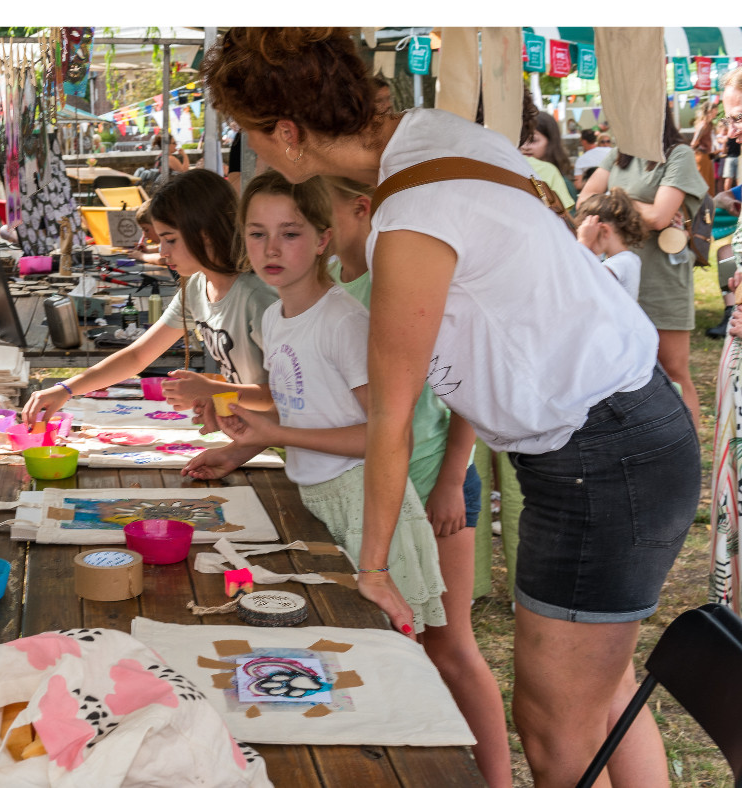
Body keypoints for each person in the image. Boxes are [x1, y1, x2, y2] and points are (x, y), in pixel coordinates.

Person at [203, 28, 697, 788]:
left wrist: (373, 565)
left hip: (600, 455)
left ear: (291, 135)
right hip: (623, 431)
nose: (257, 160)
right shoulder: (437, 136)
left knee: (554, 724)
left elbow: (390, 417)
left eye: (254, 141)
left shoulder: (413, 216)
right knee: (604, 696)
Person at [317, 174, 512, 785]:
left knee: (452, 648)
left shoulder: (399, 280)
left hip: (433, 489)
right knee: (408, 648)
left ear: (361, 208)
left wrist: (454, 477)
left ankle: (499, 780)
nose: (311, 227)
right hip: (382, 497)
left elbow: (465, 392)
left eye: (314, 210)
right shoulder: (336, 284)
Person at [20, 169, 277, 428]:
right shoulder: (197, 286)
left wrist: (212, 391)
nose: (162, 252)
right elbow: (138, 356)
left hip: (282, 447)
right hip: (249, 436)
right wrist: (66, 389)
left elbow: (285, 397)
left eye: (170, 240)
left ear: (205, 233)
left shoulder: (259, 298)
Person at [580, 102, 709, 430]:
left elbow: (659, 217)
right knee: (631, 372)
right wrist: (631, 204)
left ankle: (688, 447)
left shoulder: (677, 154)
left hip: (662, 277)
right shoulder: (620, 153)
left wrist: (613, 197)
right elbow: (584, 201)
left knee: (674, 369)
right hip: (620, 279)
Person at [576, 188, 648, 301]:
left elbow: (581, 283)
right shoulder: (625, 259)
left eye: (590, 234)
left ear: (604, 230)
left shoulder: (622, 262)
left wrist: (583, 242)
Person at [520, 112, 576, 206]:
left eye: (533, 140)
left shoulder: (562, 181)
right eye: (521, 140)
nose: (525, 146)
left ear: (551, 141)